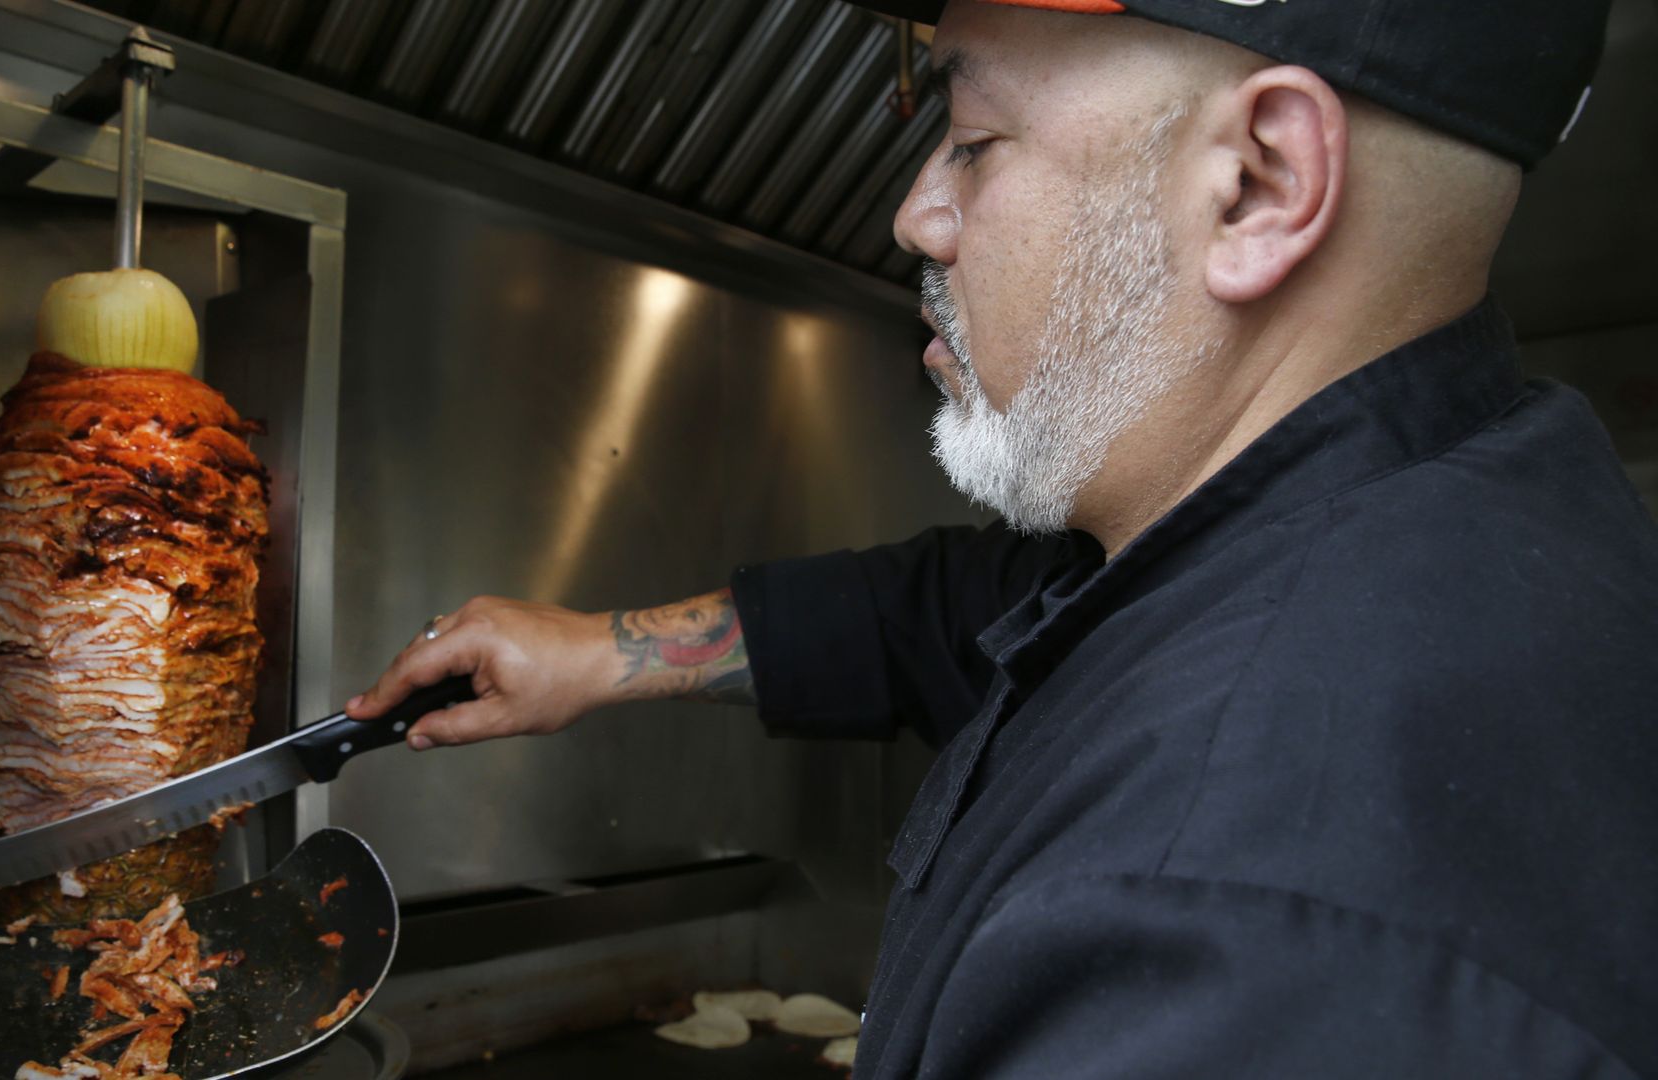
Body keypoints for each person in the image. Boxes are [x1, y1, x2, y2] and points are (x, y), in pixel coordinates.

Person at [351, 0, 1658, 1075]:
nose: (920, 215)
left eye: (973, 138)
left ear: (1259, 182)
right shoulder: (1445, 514)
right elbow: (953, 611)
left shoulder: (1235, 937)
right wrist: (603, 652)